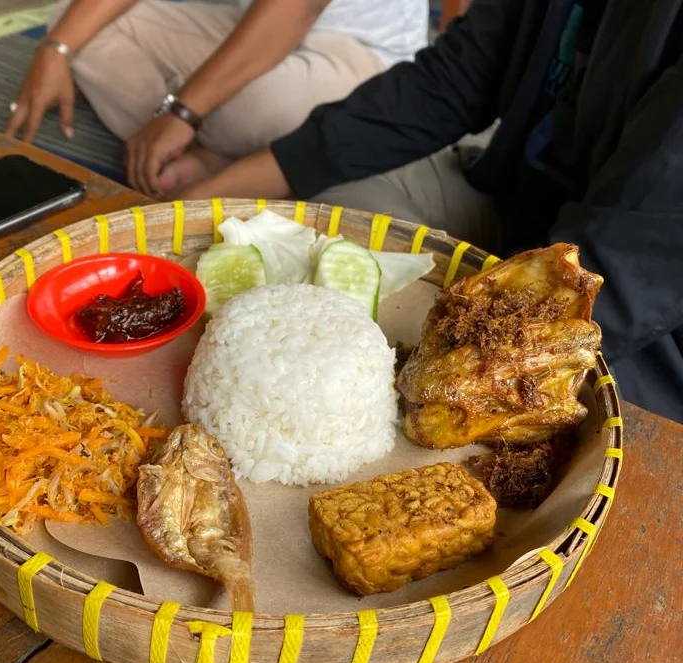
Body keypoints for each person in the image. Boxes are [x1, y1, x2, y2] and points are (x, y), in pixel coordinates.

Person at [180, 0, 683, 424]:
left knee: (577, 425)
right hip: (515, 207)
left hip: (642, 323)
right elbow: (445, 83)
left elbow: (623, 264)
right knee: (339, 197)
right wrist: (210, 198)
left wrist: (419, 372)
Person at [5, 0, 428, 196]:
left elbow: (295, 11)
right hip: (250, 20)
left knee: (248, 106)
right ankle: (224, 152)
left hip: (360, 51)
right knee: (72, 22)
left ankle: (193, 136)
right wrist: (55, 48)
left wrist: (184, 111)